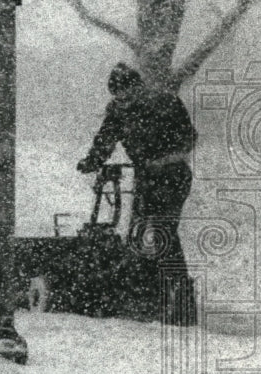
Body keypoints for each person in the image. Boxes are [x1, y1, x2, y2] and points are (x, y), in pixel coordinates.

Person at [78, 63, 197, 324]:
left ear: (137, 87)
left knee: (163, 229)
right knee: (139, 230)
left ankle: (178, 294)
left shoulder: (166, 103)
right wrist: (92, 161)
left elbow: (188, 139)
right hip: (146, 176)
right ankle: (144, 291)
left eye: (126, 94)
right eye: (118, 96)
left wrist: (164, 160)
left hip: (172, 175)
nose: (123, 100)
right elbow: (106, 139)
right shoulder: (119, 111)